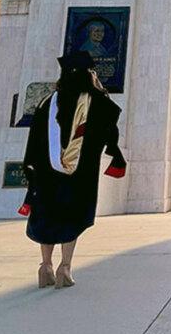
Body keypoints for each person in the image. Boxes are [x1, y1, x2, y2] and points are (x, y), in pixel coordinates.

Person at [20, 51, 126, 288]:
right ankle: (64, 268)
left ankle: (45, 266)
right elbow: (111, 121)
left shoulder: (47, 103)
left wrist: (32, 168)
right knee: (71, 217)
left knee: (47, 216)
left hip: (46, 174)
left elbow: (34, 139)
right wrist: (99, 89)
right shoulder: (95, 102)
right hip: (79, 176)